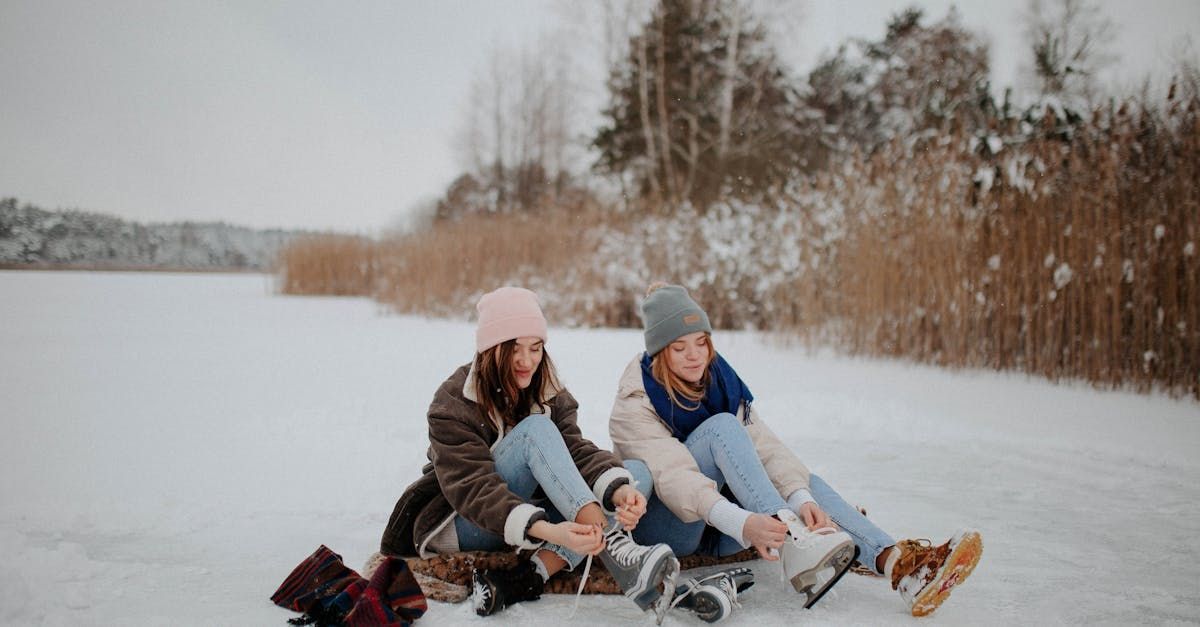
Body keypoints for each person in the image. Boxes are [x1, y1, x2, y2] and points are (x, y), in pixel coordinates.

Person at [608, 284, 983, 617]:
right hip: (672, 527)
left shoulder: (719, 379)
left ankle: (899, 567)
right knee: (722, 428)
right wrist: (747, 523)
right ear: (659, 352)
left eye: (701, 342)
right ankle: (795, 544)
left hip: (725, 530)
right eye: (679, 347)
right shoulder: (636, 400)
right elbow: (677, 480)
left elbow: (765, 448)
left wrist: (801, 498)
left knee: (805, 485)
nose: (695, 356)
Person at [378, 286, 677, 617]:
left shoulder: (548, 389)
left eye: (535, 348)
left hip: (527, 513)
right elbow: (475, 490)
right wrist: (549, 530)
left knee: (634, 475)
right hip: (464, 521)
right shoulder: (452, 402)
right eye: (513, 350)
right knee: (536, 430)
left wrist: (619, 492)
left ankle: (528, 576)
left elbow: (574, 451)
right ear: (490, 350)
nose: (526, 361)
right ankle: (617, 546)